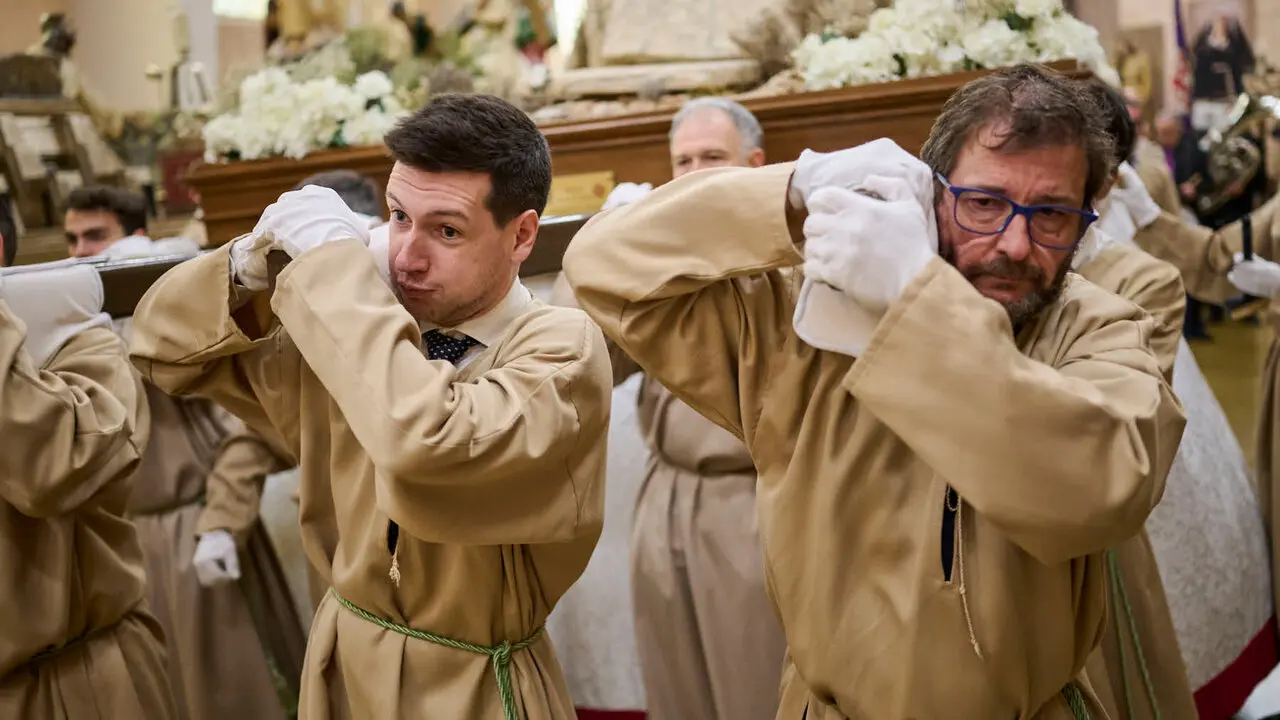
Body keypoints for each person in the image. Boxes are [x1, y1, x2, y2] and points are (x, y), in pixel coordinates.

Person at [564, 63, 1185, 718]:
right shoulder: (806, 317)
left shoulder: (1099, 327)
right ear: (933, 194)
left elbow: (1104, 485)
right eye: (983, 204)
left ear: (1089, 217)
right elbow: (599, 266)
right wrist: (793, 190)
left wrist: (920, 300)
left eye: (1052, 215)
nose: (1015, 243)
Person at [128, 93, 612, 719]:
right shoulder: (356, 322)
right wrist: (247, 266)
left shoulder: (559, 349)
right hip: (343, 663)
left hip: (470, 688)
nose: (407, 255)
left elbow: (422, 441)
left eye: (446, 230)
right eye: (398, 216)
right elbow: (161, 350)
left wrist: (336, 275)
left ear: (521, 235)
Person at [554, 96, 783, 720]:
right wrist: (609, 243)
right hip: (667, 498)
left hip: (751, 502)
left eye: (712, 157)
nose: (693, 174)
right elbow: (581, 360)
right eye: (682, 161)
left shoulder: (784, 258)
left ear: (755, 164)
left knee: (756, 689)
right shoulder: (660, 265)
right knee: (678, 689)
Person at [66, 184, 308, 720]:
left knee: (231, 691)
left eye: (95, 235)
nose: (81, 250)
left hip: (194, 529)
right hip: (122, 546)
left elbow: (250, 426)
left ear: (132, 237)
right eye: (72, 238)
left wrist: (222, 520)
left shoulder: (171, 310)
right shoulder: (71, 319)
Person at [0, 228, 176, 718]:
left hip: (74, 683)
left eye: (92, 234)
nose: (79, 245)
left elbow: (48, 471)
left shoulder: (77, 341)